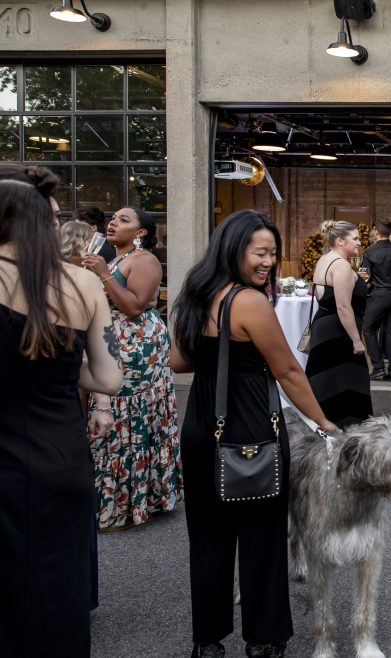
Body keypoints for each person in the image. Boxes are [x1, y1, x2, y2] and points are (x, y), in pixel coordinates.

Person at [171, 209, 339, 658]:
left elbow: (179, 361)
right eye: (259, 252)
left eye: (272, 253)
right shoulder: (248, 302)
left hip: (202, 423)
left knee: (207, 537)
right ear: (234, 248)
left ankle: (207, 640)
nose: (268, 261)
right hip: (250, 427)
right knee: (262, 537)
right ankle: (263, 638)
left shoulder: (195, 292)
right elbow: (286, 369)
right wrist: (323, 423)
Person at [0, 164, 123, 657]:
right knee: (58, 593)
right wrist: (53, 365)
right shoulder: (83, 285)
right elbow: (108, 377)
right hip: (59, 457)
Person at [80, 206, 182, 530]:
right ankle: (113, 496)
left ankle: (133, 501)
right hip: (114, 340)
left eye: (124, 220)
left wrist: (102, 274)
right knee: (115, 417)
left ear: (140, 233)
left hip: (137, 346)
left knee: (129, 417)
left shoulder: (145, 261)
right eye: (113, 218)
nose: (113, 222)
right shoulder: (112, 258)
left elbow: (135, 306)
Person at [305, 220, 372, 428]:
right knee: (347, 382)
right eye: (355, 239)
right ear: (340, 240)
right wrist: (357, 341)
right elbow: (343, 307)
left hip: (325, 327)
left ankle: (324, 424)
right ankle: (346, 429)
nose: (359, 243)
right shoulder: (341, 265)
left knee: (328, 381)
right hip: (339, 332)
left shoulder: (325, 259)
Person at [361, 218, 391, 382]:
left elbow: (364, 278)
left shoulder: (369, 252)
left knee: (368, 329)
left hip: (379, 295)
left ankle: (378, 368)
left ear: (377, 233)